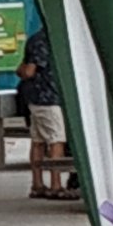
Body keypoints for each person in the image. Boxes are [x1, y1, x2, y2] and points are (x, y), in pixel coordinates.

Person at [18, 26, 75, 200]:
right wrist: (21, 71)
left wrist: (20, 69)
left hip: (35, 98)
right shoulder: (46, 41)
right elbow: (29, 71)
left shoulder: (35, 39)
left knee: (38, 141)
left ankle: (37, 184)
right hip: (48, 97)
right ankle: (56, 185)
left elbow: (25, 68)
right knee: (56, 140)